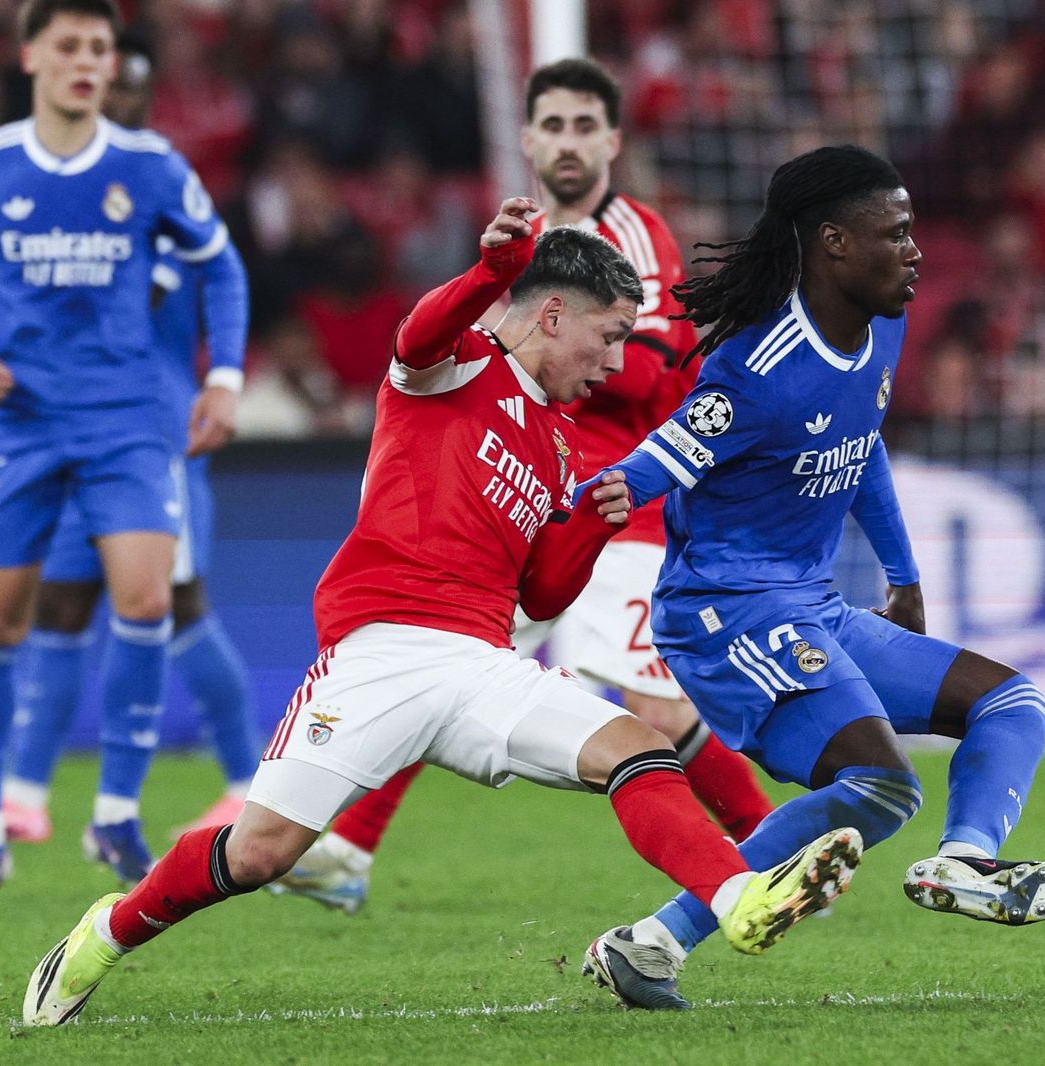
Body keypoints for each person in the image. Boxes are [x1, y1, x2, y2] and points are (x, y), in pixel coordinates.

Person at [22, 201, 863, 1026]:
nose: (614, 364)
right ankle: (106, 932)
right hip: (380, 651)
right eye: (610, 337)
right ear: (556, 313)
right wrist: (493, 270)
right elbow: (416, 334)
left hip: (482, 664)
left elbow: (538, 596)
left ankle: (738, 897)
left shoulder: (561, 442)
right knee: (259, 853)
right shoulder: (460, 361)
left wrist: (591, 529)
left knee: (637, 747)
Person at [577, 145, 1045, 1011]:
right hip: (724, 616)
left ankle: (959, 865)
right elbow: (658, 462)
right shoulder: (752, 370)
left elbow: (864, 442)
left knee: (1011, 703)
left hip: (813, 604)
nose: (917, 250)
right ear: (837, 243)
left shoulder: (884, 325)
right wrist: (584, 497)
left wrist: (904, 571)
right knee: (882, 786)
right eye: (898, 233)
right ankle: (661, 939)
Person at [272, 57, 774, 914]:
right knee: (446, 658)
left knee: (648, 709)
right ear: (527, 137)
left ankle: (767, 836)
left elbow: (650, 371)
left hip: (621, 496)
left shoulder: (633, 235)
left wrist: (535, 360)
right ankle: (349, 848)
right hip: (530, 503)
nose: (568, 142)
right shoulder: (528, 244)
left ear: (613, 141)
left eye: (586, 126)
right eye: (554, 125)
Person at [0, 0, 248, 902]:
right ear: (31, 56)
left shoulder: (149, 168)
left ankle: (113, 814)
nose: (87, 61)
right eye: (69, 46)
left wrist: (223, 382)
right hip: (17, 423)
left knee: (147, 600)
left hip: (128, 422)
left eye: (99, 47)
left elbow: (222, 265)